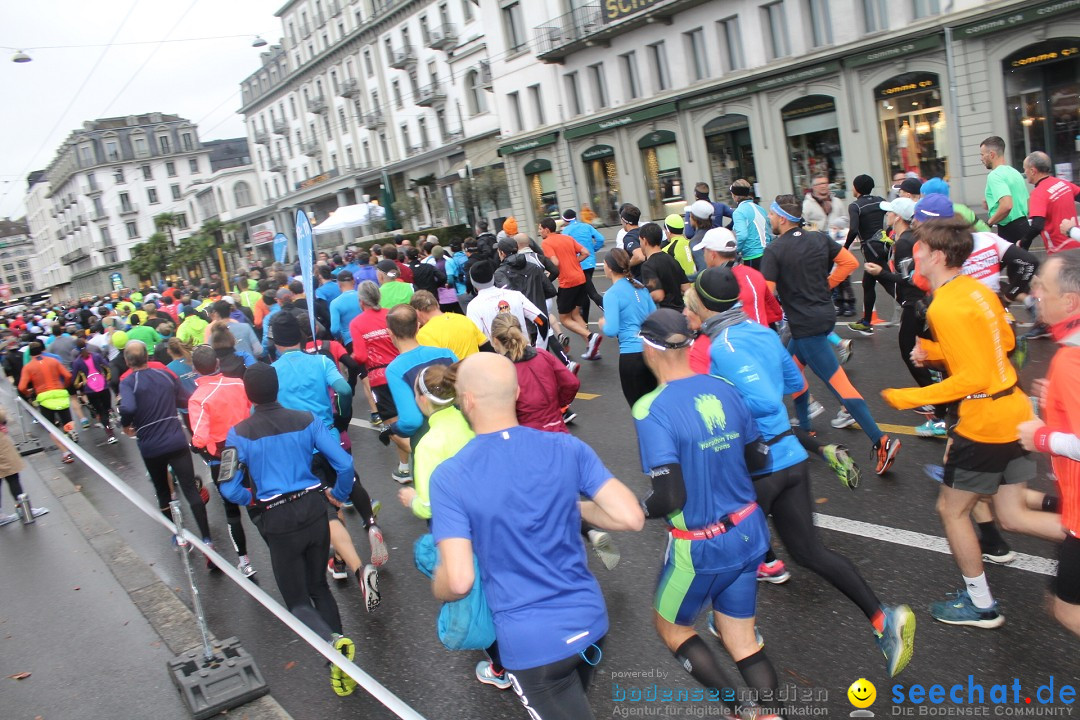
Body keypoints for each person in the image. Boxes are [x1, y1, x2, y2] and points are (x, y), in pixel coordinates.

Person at [686, 272, 914, 675]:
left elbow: (761, 401)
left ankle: (737, 629)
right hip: (789, 459)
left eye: (689, 301)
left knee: (729, 550)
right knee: (808, 553)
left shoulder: (726, 345)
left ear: (705, 305)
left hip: (758, 466)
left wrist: (718, 413)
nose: (686, 306)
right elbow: (795, 383)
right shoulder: (760, 332)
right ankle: (884, 620)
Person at [430, 353, 644, 719]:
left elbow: (460, 580)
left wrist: (438, 585)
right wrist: (568, 506)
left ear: (465, 400)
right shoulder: (566, 446)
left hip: (532, 646)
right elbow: (630, 517)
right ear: (515, 392)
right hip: (590, 622)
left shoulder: (450, 477)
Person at [881, 215, 1064, 628]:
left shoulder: (945, 304)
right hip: (1014, 410)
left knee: (951, 509)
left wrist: (910, 396)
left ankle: (981, 604)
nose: (916, 253)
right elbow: (1006, 342)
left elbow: (975, 377)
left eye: (921, 249)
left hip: (984, 421)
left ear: (939, 256)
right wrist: (937, 353)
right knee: (1012, 514)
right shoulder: (977, 290)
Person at [630, 308, 782, 713]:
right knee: (742, 639)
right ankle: (769, 714)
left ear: (649, 348)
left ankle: (736, 710)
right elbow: (760, 459)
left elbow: (668, 498)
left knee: (672, 627)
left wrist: (632, 508)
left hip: (701, 547)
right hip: (750, 532)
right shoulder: (723, 386)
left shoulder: (650, 408)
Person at [219, 362, 359, 697]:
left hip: (277, 516)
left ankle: (334, 645)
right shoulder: (307, 419)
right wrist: (337, 495)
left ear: (248, 394)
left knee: (297, 601)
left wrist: (249, 497)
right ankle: (343, 663)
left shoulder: (238, 433)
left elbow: (227, 486)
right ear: (277, 386)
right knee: (319, 588)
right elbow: (344, 463)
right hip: (313, 508)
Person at [762, 194, 901, 475]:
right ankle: (806, 428)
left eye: (772, 215)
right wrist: (826, 285)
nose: (769, 219)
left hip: (805, 325)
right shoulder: (818, 238)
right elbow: (850, 263)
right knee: (792, 371)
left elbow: (767, 294)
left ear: (781, 217)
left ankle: (881, 440)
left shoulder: (775, 250)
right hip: (822, 318)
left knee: (840, 385)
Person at [272, 311, 387, 597]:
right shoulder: (322, 361)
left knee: (327, 508)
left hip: (299, 448)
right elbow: (342, 390)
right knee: (349, 481)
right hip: (329, 437)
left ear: (275, 343)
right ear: (300, 338)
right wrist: (342, 417)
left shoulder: (272, 372)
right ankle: (370, 525)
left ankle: (342, 561)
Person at [1017, 250, 1080, 639]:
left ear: (1070, 301)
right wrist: (1055, 398)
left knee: (1067, 610)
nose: (1035, 292)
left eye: (1043, 286)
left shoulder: (1071, 361)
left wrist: (1041, 436)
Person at [118, 340, 214, 555]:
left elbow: (128, 406)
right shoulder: (165, 375)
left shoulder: (128, 382)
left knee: (163, 491)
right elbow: (183, 398)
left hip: (151, 444)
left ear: (127, 361)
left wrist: (126, 425)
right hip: (175, 439)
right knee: (190, 488)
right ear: (148, 357)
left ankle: (179, 535)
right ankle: (207, 539)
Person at [861, 197, 944, 436]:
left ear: (897, 217)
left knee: (910, 350)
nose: (886, 215)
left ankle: (936, 402)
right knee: (928, 350)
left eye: (889, 212)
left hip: (915, 303)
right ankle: (940, 395)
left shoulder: (907, 242)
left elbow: (910, 279)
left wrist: (882, 273)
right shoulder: (903, 240)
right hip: (916, 302)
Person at [188, 345, 257, 577]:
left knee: (231, 510)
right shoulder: (239, 384)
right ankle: (278, 549)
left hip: (222, 459)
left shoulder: (198, 398)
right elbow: (252, 410)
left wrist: (196, 447)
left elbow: (199, 438)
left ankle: (245, 561)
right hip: (248, 450)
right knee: (258, 501)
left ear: (195, 369)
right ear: (217, 363)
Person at [350, 281, 410, 481]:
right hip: (402, 371)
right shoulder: (391, 314)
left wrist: (350, 357)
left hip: (379, 378)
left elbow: (359, 356)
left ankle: (414, 457)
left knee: (392, 424)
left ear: (361, 302)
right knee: (407, 419)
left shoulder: (357, 323)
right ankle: (403, 467)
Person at [383, 303, 457, 444]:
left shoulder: (395, 370)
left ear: (390, 333)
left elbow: (412, 421)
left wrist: (393, 429)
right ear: (418, 326)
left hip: (429, 439)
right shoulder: (446, 354)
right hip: (460, 430)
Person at [692, 227, 784, 328]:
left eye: (704, 251)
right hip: (764, 336)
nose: (703, 255)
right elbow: (776, 312)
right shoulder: (755, 274)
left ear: (712, 255)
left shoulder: (712, 284)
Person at [599, 248, 657, 407]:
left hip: (631, 356)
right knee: (654, 406)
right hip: (650, 353)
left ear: (609, 267)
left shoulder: (612, 294)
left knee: (638, 409)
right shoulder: (640, 286)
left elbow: (611, 330)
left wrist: (603, 324)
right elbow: (654, 316)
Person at [540, 217, 602, 360]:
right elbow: (586, 252)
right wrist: (575, 261)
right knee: (576, 315)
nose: (539, 231)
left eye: (540, 229)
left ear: (546, 230)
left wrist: (548, 271)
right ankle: (592, 348)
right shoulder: (566, 238)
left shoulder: (546, 242)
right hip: (580, 278)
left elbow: (554, 262)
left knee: (564, 319)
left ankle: (591, 336)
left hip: (567, 283)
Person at [845, 174, 889, 336]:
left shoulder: (855, 206)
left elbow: (854, 230)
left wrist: (845, 248)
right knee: (867, 284)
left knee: (889, 283)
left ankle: (914, 309)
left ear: (856, 188)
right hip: (883, 245)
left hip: (870, 248)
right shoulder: (880, 200)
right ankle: (866, 321)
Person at [17, 342, 76, 463]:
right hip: (60, 394)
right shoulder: (53, 361)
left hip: (44, 399)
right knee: (67, 422)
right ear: (42, 350)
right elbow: (68, 375)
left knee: (51, 428)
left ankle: (66, 453)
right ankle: (69, 434)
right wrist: (64, 386)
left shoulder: (28, 367)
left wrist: (29, 393)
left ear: (29, 354)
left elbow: (21, 387)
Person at [1022, 150, 1080, 254]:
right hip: (1076, 242)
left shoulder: (1038, 193)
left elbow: (1037, 225)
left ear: (1032, 171)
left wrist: (1023, 243)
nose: (1025, 172)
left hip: (1060, 251)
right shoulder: (1063, 183)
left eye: (1025, 169)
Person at [980, 135, 1030, 244]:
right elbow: (1026, 201)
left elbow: (1007, 205)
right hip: (1023, 225)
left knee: (1007, 260)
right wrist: (991, 204)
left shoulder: (995, 175)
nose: (981, 159)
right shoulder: (1015, 172)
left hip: (1010, 229)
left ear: (992, 154)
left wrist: (988, 223)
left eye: (982, 155)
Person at [411, 290, 489, 360]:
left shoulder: (423, 334)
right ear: (437, 304)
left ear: (417, 312)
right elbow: (486, 347)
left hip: (453, 375)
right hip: (476, 370)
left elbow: (434, 366)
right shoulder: (463, 319)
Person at [560, 209, 606, 323]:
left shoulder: (566, 231)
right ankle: (584, 322)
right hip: (590, 262)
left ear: (565, 220)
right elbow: (600, 239)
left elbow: (564, 247)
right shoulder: (587, 226)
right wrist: (593, 249)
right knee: (584, 293)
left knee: (592, 293)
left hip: (578, 264)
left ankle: (612, 311)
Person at [70, 339, 117, 445]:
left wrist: (81, 385)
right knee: (107, 408)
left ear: (76, 350)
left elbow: (75, 380)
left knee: (100, 412)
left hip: (90, 390)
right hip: (103, 386)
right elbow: (107, 367)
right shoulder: (96, 356)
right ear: (86, 345)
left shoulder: (77, 362)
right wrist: (107, 379)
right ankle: (111, 413)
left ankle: (110, 434)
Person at [639, 222, 690, 311]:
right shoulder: (671, 259)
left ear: (645, 241)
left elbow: (658, 295)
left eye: (640, 241)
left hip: (665, 315)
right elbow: (686, 287)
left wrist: (640, 299)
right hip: (681, 312)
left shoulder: (648, 266)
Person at [729, 179, 771, 270]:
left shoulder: (738, 212)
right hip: (768, 253)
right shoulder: (760, 208)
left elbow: (742, 235)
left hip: (752, 257)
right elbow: (770, 231)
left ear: (735, 196)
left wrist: (735, 251)